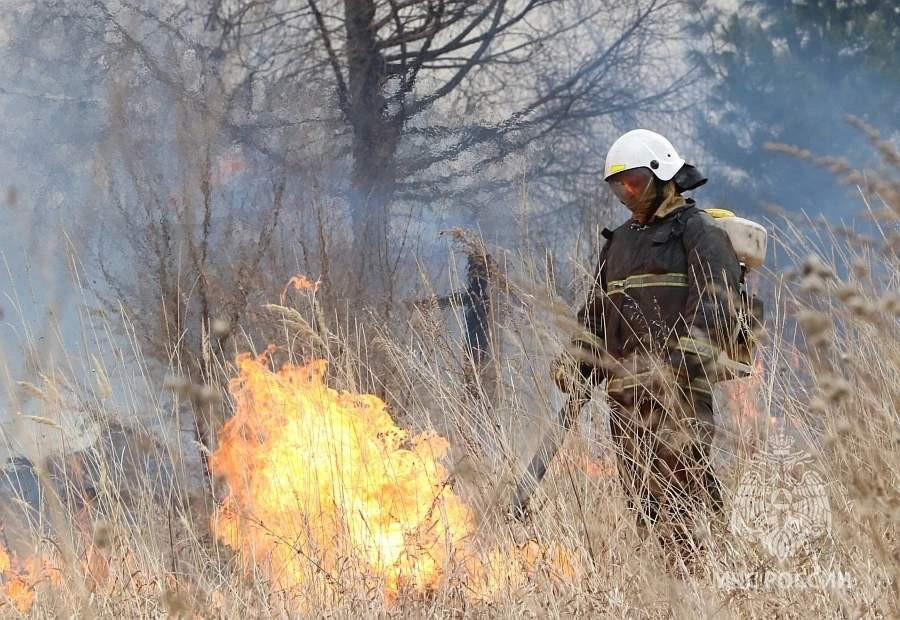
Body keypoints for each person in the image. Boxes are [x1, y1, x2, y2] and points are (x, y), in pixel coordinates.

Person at [555, 129, 743, 556]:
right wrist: (575, 360)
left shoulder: (700, 233)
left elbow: (716, 310)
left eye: (634, 182)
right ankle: (669, 589)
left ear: (662, 175)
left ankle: (711, 577)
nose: (626, 193)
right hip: (625, 400)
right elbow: (598, 315)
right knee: (643, 502)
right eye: (618, 186)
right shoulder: (619, 243)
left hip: (680, 397)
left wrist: (672, 368)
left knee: (683, 492)